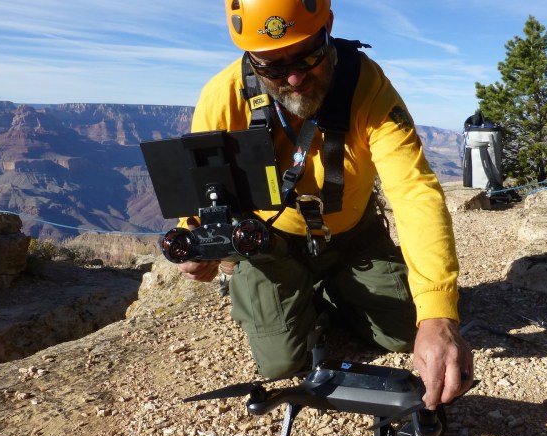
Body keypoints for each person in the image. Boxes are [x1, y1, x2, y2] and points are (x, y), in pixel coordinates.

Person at [176, 0, 473, 409]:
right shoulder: (224, 96)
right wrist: (200, 242)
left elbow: (414, 192)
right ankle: (292, 292)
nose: (294, 78)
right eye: (272, 68)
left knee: (407, 332)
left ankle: (328, 292)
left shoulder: (367, 86)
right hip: (271, 245)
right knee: (281, 363)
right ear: (250, 58)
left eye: (307, 56)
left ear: (328, 26)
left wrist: (438, 314)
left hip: (353, 236)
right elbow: (203, 186)